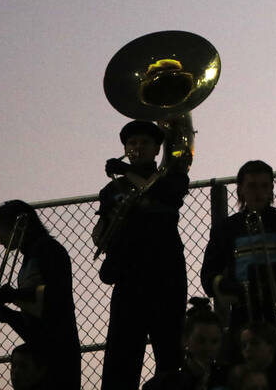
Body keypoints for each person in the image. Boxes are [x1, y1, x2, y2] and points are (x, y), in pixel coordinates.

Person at [97, 118, 190, 389]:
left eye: (144, 143)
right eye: (132, 142)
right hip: (129, 278)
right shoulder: (112, 190)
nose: (137, 147)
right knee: (120, 358)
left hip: (166, 278)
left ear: (156, 149)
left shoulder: (172, 177)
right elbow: (101, 233)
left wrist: (127, 171)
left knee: (169, 355)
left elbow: (168, 196)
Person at [201, 160, 276, 373]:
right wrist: (231, 289)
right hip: (242, 317)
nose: (259, 192)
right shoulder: (226, 229)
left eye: (265, 186)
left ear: (272, 189)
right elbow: (208, 275)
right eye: (252, 186)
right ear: (241, 190)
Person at [0, 200, 81, 389]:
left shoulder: (48, 250)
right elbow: (39, 321)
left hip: (57, 356)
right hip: (51, 351)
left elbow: (55, 301)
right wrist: (10, 315)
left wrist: (14, 296)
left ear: (16, 224)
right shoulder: (33, 254)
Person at [142, 299, 224, 390]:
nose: (208, 348)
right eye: (201, 340)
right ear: (185, 340)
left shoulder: (228, 378)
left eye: (214, 341)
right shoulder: (164, 384)